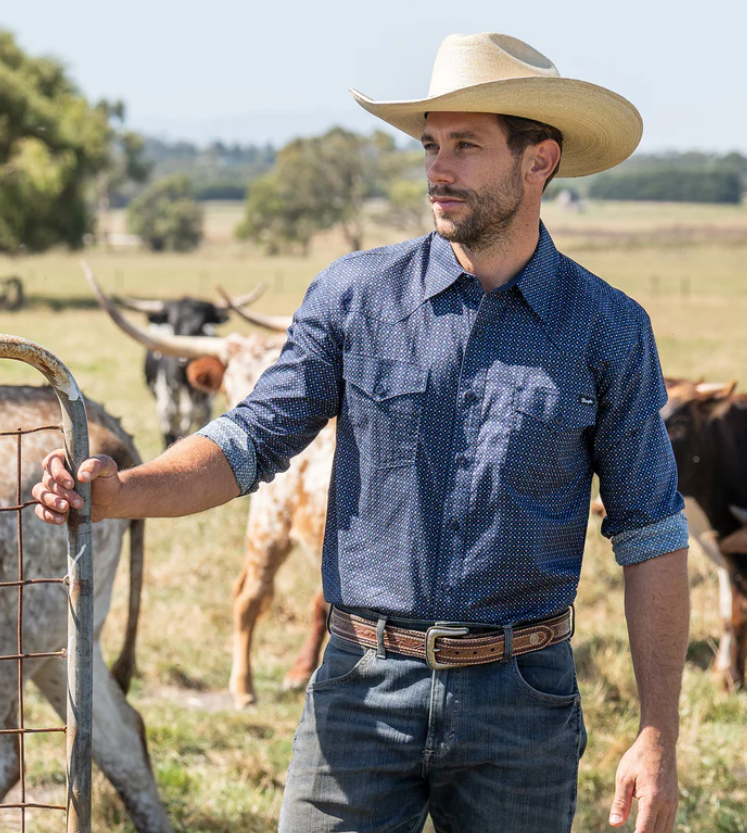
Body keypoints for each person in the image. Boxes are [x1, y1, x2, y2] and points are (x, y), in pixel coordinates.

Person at [34, 32, 690, 833]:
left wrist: (657, 733)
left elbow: (652, 535)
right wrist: (122, 492)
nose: (436, 169)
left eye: (465, 147)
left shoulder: (608, 329)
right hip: (358, 686)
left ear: (538, 161)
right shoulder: (353, 297)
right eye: (429, 146)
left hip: (523, 702)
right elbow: (249, 440)